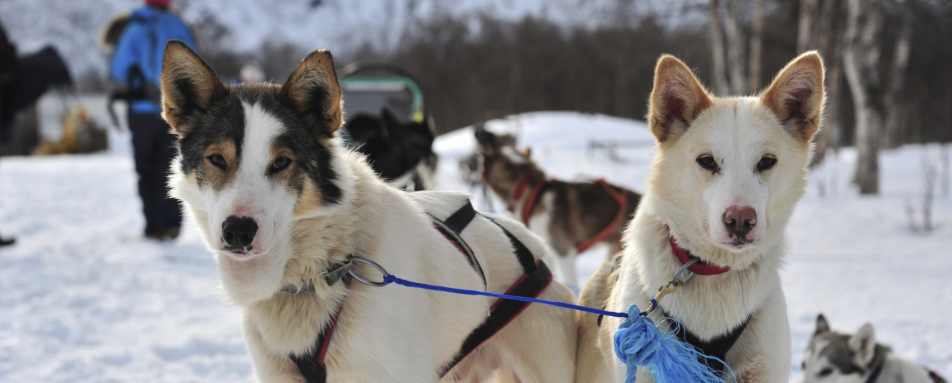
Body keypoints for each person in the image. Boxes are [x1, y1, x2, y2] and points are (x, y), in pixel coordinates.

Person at [109, 0, 195, 240]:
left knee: (147, 169)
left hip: (142, 110)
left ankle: (154, 226)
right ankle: (172, 224)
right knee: (172, 167)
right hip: (176, 111)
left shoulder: (134, 28)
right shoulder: (179, 27)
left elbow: (118, 69)